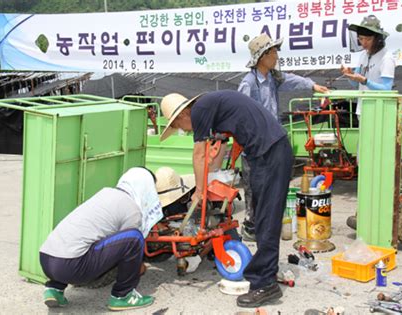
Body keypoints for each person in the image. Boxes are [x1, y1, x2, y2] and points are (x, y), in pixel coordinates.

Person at [159, 90, 293, 307]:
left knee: (267, 219)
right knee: (260, 218)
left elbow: (199, 154)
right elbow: (218, 151)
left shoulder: (200, 110)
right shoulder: (212, 108)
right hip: (265, 152)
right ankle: (267, 270)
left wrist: (200, 190)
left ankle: (266, 284)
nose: (183, 131)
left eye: (179, 127)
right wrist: (214, 181)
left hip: (270, 152)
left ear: (182, 115)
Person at [238, 33, 329, 241]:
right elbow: (241, 113)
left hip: (271, 141)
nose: (277, 55)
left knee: (271, 183)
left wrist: (312, 86)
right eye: (273, 52)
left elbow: (290, 80)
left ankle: (266, 223)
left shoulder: (272, 77)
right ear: (262, 56)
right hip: (255, 145)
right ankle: (251, 226)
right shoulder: (249, 83)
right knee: (254, 186)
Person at [39, 167, 163, 311]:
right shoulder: (132, 209)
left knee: (80, 237)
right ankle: (123, 296)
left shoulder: (104, 193)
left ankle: (54, 289)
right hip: (72, 267)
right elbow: (129, 250)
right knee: (135, 238)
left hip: (46, 260)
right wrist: (137, 267)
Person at [341, 15, 396, 229]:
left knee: (376, 160)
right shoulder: (363, 56)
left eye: (366, 39)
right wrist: (349, 75)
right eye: (360, 38)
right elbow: (358, 77)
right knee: (363, 160)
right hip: (363, 110)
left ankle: (378, 207)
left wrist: (364, 81)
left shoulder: (386, 57)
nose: (363, 42)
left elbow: (386, 88)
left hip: (379, 113)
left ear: (377, 38)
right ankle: (365, 207)